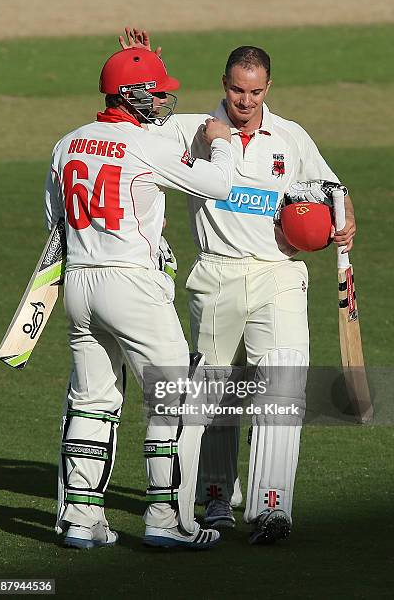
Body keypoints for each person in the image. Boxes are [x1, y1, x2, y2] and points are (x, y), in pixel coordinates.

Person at [119, 29, 356, 543]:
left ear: (268, 88)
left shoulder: (291, 137)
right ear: (223, 84)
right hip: (215, 273)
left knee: (282, 390)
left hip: (279, 275)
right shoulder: (193, 130)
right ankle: (216, 496)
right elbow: (139, 120)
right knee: (215, 396)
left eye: (256, 92)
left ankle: (272, 507)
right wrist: (145, 71)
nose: (246, 102)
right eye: (237, 91)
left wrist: (345, 213)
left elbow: (331, 187)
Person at [45, 46, 236, 549]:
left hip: (80, 282)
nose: (161, 101)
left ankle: (82, 520)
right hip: (132, 283)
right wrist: (220, 143)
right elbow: (217, 185)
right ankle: (164, 519)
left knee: (92, 403)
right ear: (130, 94)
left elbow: (56, 222)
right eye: (155, 93)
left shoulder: (67, 143)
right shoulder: (145, 144)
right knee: (170, 400)